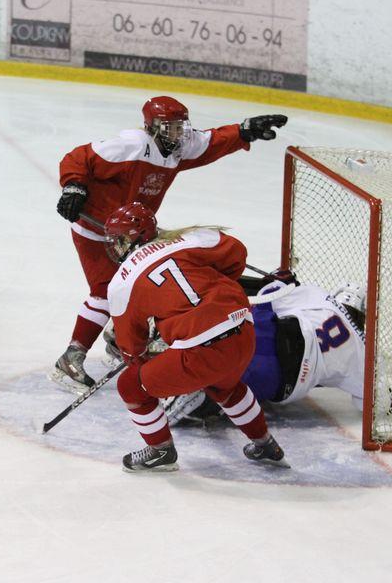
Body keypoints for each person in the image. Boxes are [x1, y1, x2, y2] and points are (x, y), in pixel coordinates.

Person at [51, 96, 288, 391]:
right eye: (170, 127)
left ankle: (117, 339)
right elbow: (78, 157)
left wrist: (243, 131)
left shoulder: (180, 148)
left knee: (149, 281)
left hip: (133, 230)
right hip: (96, 229)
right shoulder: (132, 145)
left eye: (180, 127)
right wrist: (73, 185)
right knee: (105, 293)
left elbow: (211, 142)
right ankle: (71, 357)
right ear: (152, 127)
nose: (178, 134)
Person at [104, 202, 286, 472]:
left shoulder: (121, 282)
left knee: (130, 385)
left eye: (118, 241)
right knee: (224, 386)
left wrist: (155, 358)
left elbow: (132, 350)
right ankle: (265, 443)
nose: (115, 248)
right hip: (244, 330)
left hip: (202, 350)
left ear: (132, 237)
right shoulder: (189, 238)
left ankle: (160, 450)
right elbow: (237, 254)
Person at [166, 275, 373, 425]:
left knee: (248, 317)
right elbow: (377, 405)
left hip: (271, 338)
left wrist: (277, 282)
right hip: (282, 383)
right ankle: (209, 400)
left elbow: (267, 297)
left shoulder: (320, 297)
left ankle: (192, 346)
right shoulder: (361, 353)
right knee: (239, 389)